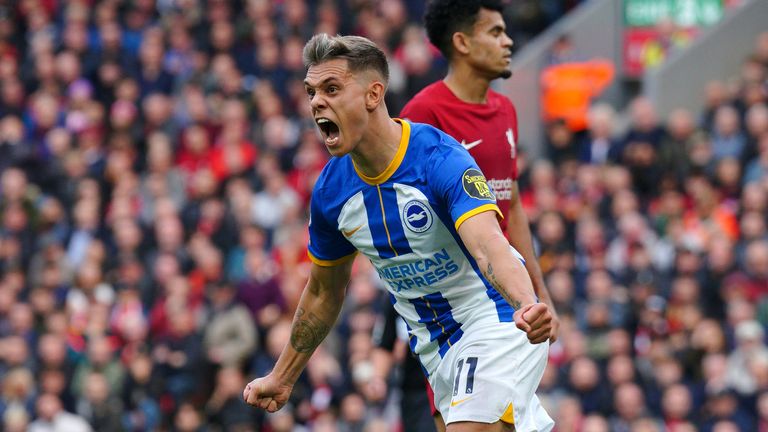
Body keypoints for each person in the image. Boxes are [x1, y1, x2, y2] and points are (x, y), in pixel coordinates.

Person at [243, 33, 555, 432]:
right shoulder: (331, 192)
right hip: (435, 348)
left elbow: (489, 245)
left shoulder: (439, 158)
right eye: (311, 91)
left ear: (374, 94)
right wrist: (283, 376)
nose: (317, 101)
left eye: (332, 88)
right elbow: (323, 292)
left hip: (496, 319)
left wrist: (526, 304)